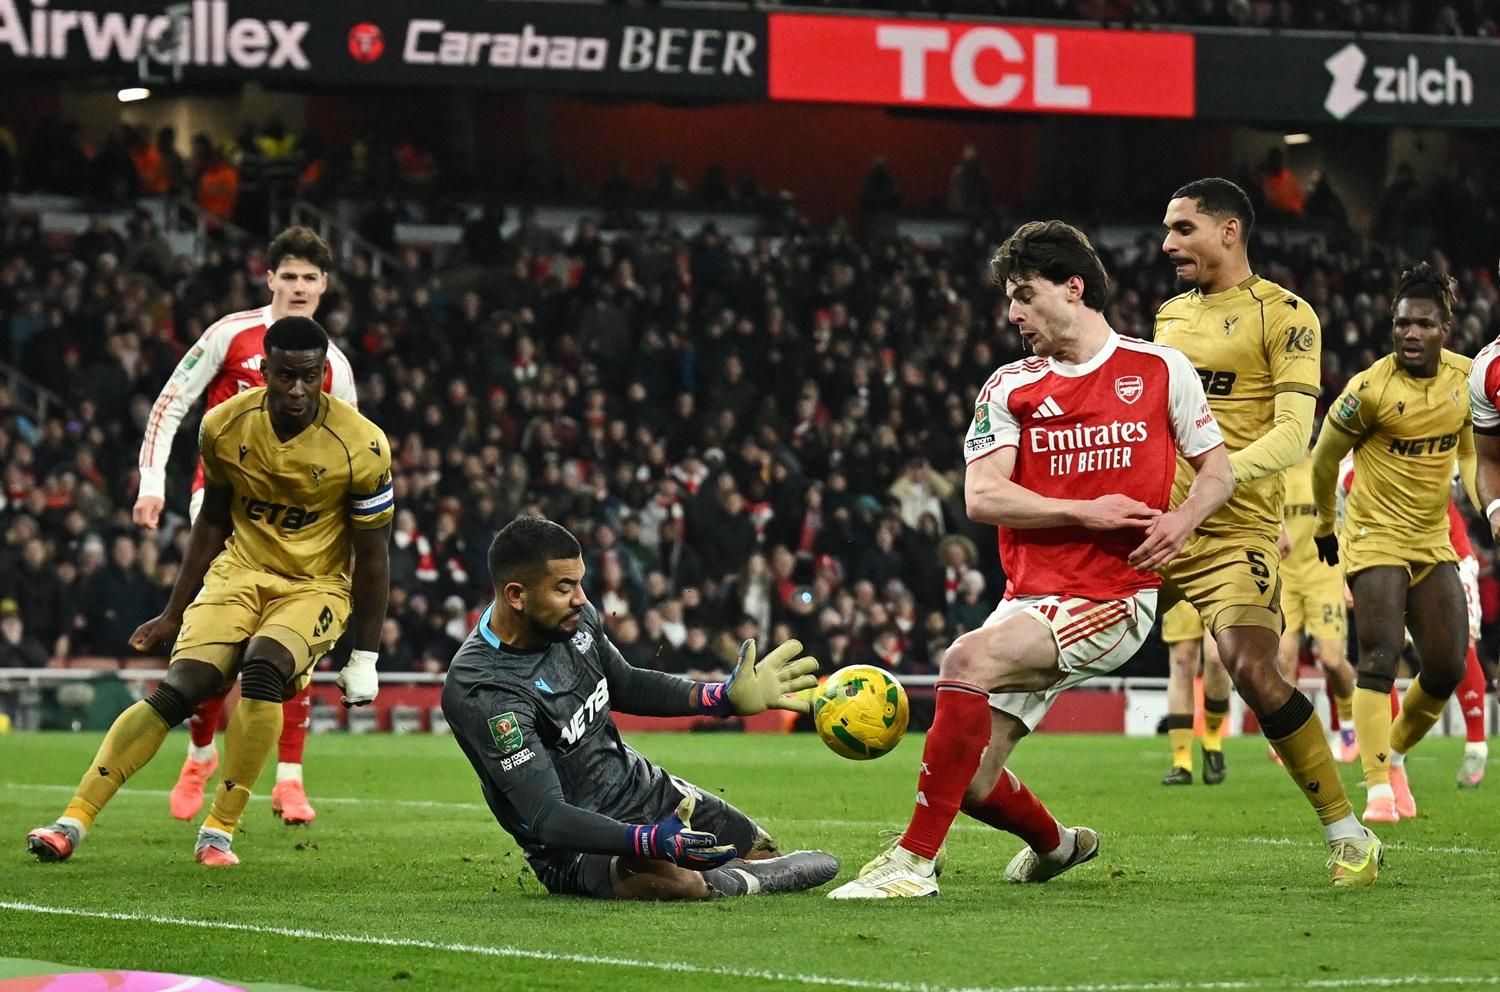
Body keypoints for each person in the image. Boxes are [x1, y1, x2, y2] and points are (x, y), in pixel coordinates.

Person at [828, 220, 1234, 899]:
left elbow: (1218, 472)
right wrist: (1085, 510)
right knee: (973, 779)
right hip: (1028, 598)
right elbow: (982, 496)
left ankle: (913, 864)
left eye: (1024, 295)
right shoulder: (1009, 386)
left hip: (1112, 596)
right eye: (1009, 299)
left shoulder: (1160, 370)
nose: (1012, 314)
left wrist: (1182, 521)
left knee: (964, 660)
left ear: (1073, 287)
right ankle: (1058, 846)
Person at [28, 317, 392, 867]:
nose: (298, 389)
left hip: (313, 585)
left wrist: (365, 655)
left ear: (325, 373)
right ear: (264, 370)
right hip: (238, 574)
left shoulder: (363, 444)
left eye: (310, 376)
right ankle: (72, 821)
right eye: (286, 376)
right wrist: (172, 613)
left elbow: (374, 554)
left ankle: (219, 829)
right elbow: (212, 523)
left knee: (264, 669)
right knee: (180, 689)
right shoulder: (223, 425)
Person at [1155, 178, 1380, 885]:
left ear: (1229, 231)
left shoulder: (1286, 315)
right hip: (1161, 523)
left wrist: (1216, 480)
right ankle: (978, 827)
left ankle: (1349, 834)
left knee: (1252, 667)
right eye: (1167, 229)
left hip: (1236, 528)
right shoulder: (1168, 317)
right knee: (1049, 642)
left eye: (1183, 229)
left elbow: (1291, 436)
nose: (1166, 244)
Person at [442, 515, 839, 901]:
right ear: (516, 595)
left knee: (760, 848)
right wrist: (647, 840)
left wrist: (720, 698)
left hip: (641, 787)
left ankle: (735, 872)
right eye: (564, 587)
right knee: (678, 880)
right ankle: (741, 882)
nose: (581, 599)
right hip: (577, 847)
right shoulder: (485, 689)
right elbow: (548, 817)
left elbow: (627, 683)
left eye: (580, 582)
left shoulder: (573, 621)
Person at [135, 226, 357, 827]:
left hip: (299, 517)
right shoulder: (228, 334)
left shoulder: (334, 365)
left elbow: (350, 450)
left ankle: (290, 778)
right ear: (269, 279)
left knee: (292, 635)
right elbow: (169, 403)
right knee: (221, 632)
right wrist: (152, 483)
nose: (299, 286)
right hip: (222, 503)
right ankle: (199, 755)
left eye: (310, 277)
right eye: (289, 275)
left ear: (324, 285)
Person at [1311, 262, 1478, 824]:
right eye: (1403, 323)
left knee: (1447, 667)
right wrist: (1324, 527)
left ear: (1445, 330)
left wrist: (1487, 503)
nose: (1411, 333)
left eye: (1424, 324)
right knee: (1379, 656)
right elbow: (1325, 458)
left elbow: (1470, 449)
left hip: (1431, 539)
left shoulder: (1465, 380)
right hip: (1373, 535)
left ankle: (1397, 753)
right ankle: (1377, 786)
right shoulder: (1368, 390)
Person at [1278, 451, 1358, 764]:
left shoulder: (1326, 469)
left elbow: (1347, 523)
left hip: (1325, 574)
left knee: (1332, 659)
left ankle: (1349, 725)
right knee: (1283, 659)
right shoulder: (1275, 472)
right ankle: (1293, 735)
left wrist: (1349, 575)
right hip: (1286, 577)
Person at [1158, 601, 1232, 785]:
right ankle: (1182, 762)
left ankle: (1212, 741)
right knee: (1182, 661)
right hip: (1180, 585)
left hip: (1220, 585)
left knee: (1217, 657)